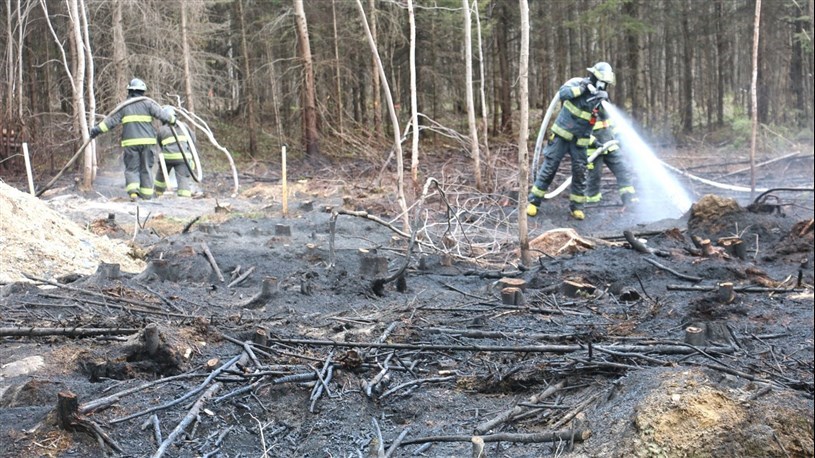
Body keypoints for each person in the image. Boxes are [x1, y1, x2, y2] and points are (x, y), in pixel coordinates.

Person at [527, 62, 615, 220]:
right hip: (561, 137)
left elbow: (607, 115)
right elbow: (563, 93)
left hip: (580, 141)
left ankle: (577, 207)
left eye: (605, 84)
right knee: (549, 168)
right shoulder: (576, 83)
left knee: (580, 173)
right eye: (601, 82)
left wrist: (604, 100)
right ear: (594, 76)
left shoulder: (599, 98)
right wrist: (582, 89)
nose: (602, 86)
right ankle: (534, 202)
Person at [89, 78, 176, 201]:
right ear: (143, 91)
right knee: (146, 168)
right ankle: (146, 197)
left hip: (130, 144)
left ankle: (134, 194)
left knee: (132, 169)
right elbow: (162, 115)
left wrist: (96, 130)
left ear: (129, 91)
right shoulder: (148, 103)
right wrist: (173, 120)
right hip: (148, 143)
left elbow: (110, 122)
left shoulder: (124, 106)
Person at [584, 113, 638, 206]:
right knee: (594, 175)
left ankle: (628, 196)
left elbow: (614, 125)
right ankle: (592, 198)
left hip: (611, 146)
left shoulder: (605, 108)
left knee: (623, 168)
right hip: (593, 150)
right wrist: (593, 141)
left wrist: (619, 136)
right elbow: (580, 130)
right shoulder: (584, 109)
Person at [155, 106, 196, 198]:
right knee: (182, 177)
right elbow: (192, 140)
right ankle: (184, 197)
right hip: (183, 158)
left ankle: (157, 193)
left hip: (167, 158)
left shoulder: (162, 130)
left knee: (161, 174)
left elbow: (160, 144)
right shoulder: (184, 126)